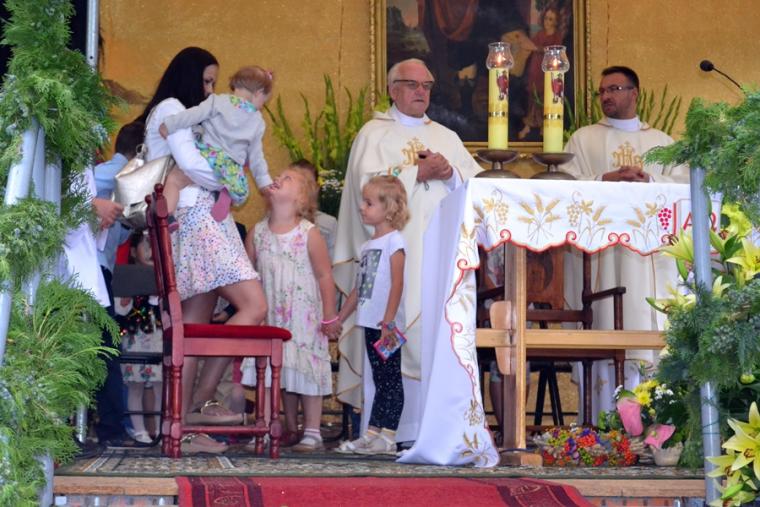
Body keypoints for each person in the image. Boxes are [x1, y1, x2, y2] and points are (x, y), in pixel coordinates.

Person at [333, 58, 481, 444]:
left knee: (433, 337)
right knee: (389, 345)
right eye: (413, 84)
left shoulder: (447, 137)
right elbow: (366, 188)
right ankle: (383, 432)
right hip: (390, 263)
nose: (421, 92)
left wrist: (451, 173)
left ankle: (432, 432)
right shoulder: (374, 134)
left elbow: (477, 188)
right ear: (392, 89)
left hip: (439, 261)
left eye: (427, 85)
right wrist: (417, 172)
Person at [138, 46, 268, 453]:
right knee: (254, 306)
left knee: (193, 328)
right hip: (196, 221)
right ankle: (198, 404)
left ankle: (183, 424)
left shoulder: (190, 111)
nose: (211, 90)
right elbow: (193, 165)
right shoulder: (172, 108)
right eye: (207, 81)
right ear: (189, 76)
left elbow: (196, 167)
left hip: (203, 218)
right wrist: (231, 173)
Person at [560, 65, 689, 422]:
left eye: (614, 89)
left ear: (635, 93)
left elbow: (684, 189)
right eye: (602, 91)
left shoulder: (662, 142)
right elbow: (563, 188)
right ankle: (603, 422)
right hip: (604, 262)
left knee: (649, 333)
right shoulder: (583, 140)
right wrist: (605, 178)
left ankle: (657, 426)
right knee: (605, 327)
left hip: (649, 264)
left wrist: (650, 179)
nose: (606, 96)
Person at [243, 167, 341, 452]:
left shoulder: (309, 233)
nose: (277, 179)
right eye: (278, 176)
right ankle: (265, 427)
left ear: (301, 198)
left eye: (287, 179)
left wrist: (330, 315)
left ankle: (312, 431)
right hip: (270, 316)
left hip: (303, 317)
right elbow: (247, 275)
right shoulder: (257, 233)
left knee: (307, 369)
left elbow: (325, 275)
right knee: (267, 371)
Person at [335, 175, 409, 455]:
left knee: (391, 380)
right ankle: (371, 434)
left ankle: (388, 436)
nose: (362, 207)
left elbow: (398, 283)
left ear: (388, 208)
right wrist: (340, 317)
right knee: (379, 379)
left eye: (369, 203)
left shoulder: (394, 241)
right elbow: (359, 288)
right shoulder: (367, 246)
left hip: (387, 325)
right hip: (369, 322)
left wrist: (389, 320)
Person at [159, 65, 274, 223]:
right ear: (258, 93)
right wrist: (264, 182)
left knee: (174, 179)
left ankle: (167, 217)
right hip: (230, 170)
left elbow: (192, 115)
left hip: (208, 157)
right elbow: (256, 157)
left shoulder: (217, 101)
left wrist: (169, 125)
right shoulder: (258, 121)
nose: (261, 106)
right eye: (263, 102)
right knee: (215, 181)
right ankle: (224, 191)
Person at [518, 6, 564, 140]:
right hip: (535, 70)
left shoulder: (557, 36)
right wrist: (523, 41)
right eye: (546, 18)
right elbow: (530, 45)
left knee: (545, 98)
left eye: (551, 19)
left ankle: (544, 125)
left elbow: (554, 50)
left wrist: (536, 48)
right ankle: (529, 125)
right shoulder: (540, 34)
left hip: (547, 72)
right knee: (533, 97)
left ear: (556, 21)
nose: (547, 21)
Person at [290, 158, 338, 260]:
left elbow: (333, 263)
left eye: (308, 184)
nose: (302, 189)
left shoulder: (328, 224)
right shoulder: (273, 222)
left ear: (316, 188)